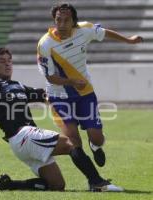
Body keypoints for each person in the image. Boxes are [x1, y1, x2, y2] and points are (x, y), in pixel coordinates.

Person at [0, 48, 122, 192]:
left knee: (57, 185)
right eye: (2, 61)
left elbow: (44, 95)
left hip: (22, 144)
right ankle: (97, 183)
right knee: (72, 144)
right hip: (23, 136)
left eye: (9, 61)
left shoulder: (18, 86)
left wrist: (61, 101)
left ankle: (8, 185)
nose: (7, 64)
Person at [37, 3, 143, 190]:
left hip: (85, 93)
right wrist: (71, 82)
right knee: (74, 142)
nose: (61, 24)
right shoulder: (45, 44)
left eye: (66, 20)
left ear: (74, 22)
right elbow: (49, 76)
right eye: (58, 20)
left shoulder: (84, 30)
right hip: (59, 96)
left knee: (96, 137)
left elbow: (104, 33)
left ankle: (96, 147)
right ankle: (94, 181)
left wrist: (129, 41)